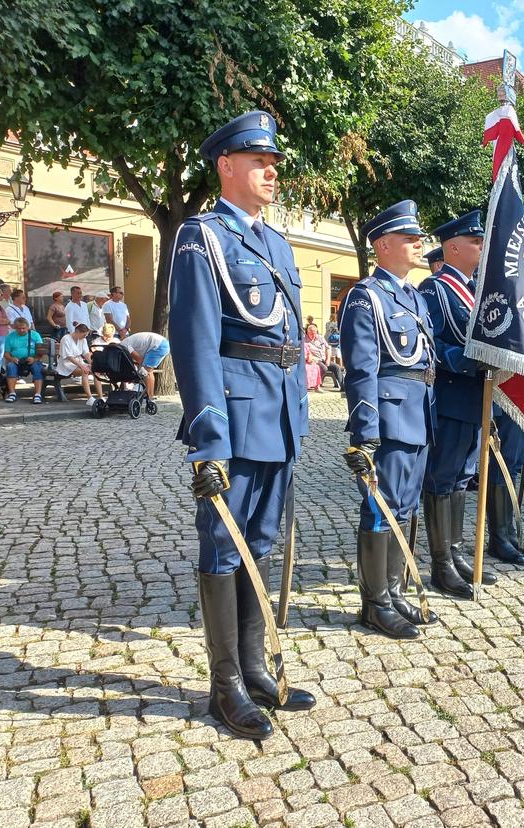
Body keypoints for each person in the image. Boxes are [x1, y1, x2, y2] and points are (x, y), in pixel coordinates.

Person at [168, 111, 316, 740]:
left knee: (259, 543)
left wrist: (299, 415)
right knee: (224, 547)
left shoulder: (277, 244)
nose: (271, 171)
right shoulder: (201, 237)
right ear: (227, 167)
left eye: (273, 162)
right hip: (235, 412)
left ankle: (255, 666)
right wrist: (209, 436)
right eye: (259, 161)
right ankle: (224, 683)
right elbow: (195, 339)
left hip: (277, 413)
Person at [339, 199, 438, 638]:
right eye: (409, 237)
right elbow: (362, 368)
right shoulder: (366, 296)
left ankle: (394, 590)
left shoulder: (414, 296)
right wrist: (366, 429)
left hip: (419, 412)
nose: (419, 243)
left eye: (419, 236)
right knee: (382, 507)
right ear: (383, 245)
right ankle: (375, 602)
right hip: (391, 416)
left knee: (406, 506)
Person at [417, 210, 499, 591]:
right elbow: (430, 347)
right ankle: (440, 564)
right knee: (442, 477)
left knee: (463, 477)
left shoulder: (474, 291)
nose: (481, 246)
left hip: (474, 398)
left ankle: (456, 552)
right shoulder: (435, 290)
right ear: (453, 247)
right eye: (475, 241)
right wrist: (471, 361)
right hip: (451, 397)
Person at [56, 323, 105, 404]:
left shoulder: (83, 339)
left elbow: (86, 353)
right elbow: (69, 357)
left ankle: (101, 397)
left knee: (96, 371)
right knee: (84, 371)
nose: (85, 336)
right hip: (66, 365)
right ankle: (89, 398)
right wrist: (82, 366)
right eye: (84, 334)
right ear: (77, 332)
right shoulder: (66, 339)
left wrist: (92, 363)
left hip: (78, 362)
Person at [3, 316, 45, 403]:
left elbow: (41, 352)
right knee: (10, 367)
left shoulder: (35, 335)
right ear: (15, 328)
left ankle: (37, 394)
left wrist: (35, 359)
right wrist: (11, 358)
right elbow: (6, 353)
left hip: (33, 360)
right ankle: (12, 393)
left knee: (37, 368)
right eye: (19, 328)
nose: (21, 330)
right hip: (16, 361)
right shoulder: (10, 337)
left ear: (28, 327)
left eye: (23, 328)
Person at [118, 331, 169, 400]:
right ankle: (148, 395)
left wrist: (132, 375)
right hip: (159, 343)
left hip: (158, 345)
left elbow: (140, 360)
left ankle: (149, 397)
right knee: (146, 371)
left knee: (146, 371)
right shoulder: (123, 346)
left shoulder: (124, 347)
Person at [303, 323, 323, 391]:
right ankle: (306, 386)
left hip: (317, 359)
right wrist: (308, 357)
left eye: (314, 333)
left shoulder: (320, 338)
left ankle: (317, 387)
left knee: (316, 367)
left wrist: (310, 357)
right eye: (311, 333)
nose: (313, 335)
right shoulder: (304, 341)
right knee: (308, 368)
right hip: (303, 361)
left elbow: (309, 353)